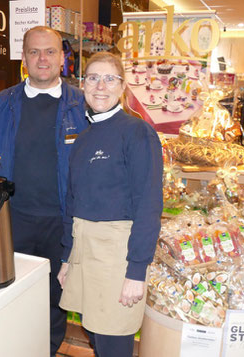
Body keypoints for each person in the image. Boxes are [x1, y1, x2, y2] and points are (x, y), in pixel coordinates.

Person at [0, 26, 88, 356]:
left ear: (62, 57)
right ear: (24, 57)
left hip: (62, 221)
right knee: (13, 291)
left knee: (57, 297)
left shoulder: (81, 104)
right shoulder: (4, 103)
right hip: (14, 218)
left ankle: (48, 349)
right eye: (34, 52)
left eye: (50, 51)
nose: (43, 59)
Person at [57, 52, 163, 357]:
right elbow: (72, 202)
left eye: (109, 79)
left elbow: (149, 204)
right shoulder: (82, 139)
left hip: (118, 255)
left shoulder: (137, 132)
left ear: (122, 87)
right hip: (84, 249)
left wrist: (136, 271)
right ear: (83, 85)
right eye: (92, 78)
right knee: (94, 332)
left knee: (113, 341)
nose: (100, 86)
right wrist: (67, 257)